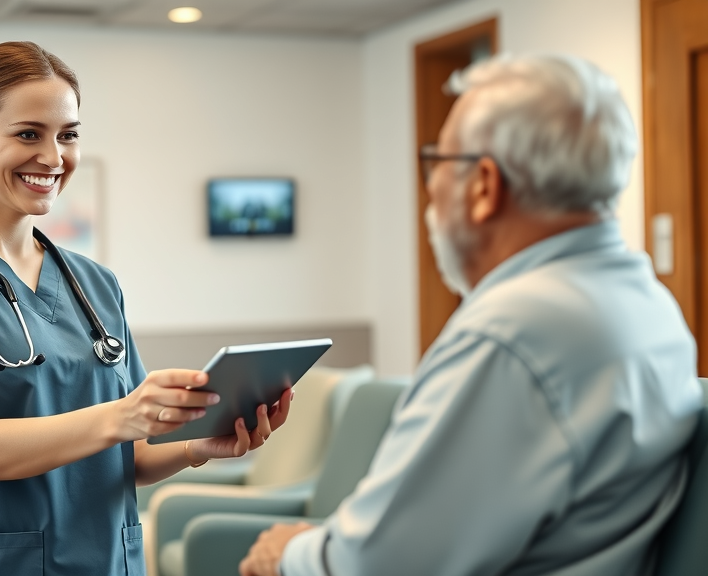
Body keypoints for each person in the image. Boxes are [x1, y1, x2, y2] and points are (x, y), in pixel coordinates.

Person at [239, 53, 705, 576]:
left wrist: (288, 554)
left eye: (437, 163)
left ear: (483, 185)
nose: (431, 188)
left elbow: (377, 565)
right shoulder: (648, 304)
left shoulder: (513, 335)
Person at [0, 41, 292, 576]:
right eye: (28, 134)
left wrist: (197, 446)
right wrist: (127, 413)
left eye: (67, 135)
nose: (53, 157)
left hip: (108, 561)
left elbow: (129, 453)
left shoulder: (94, 284)